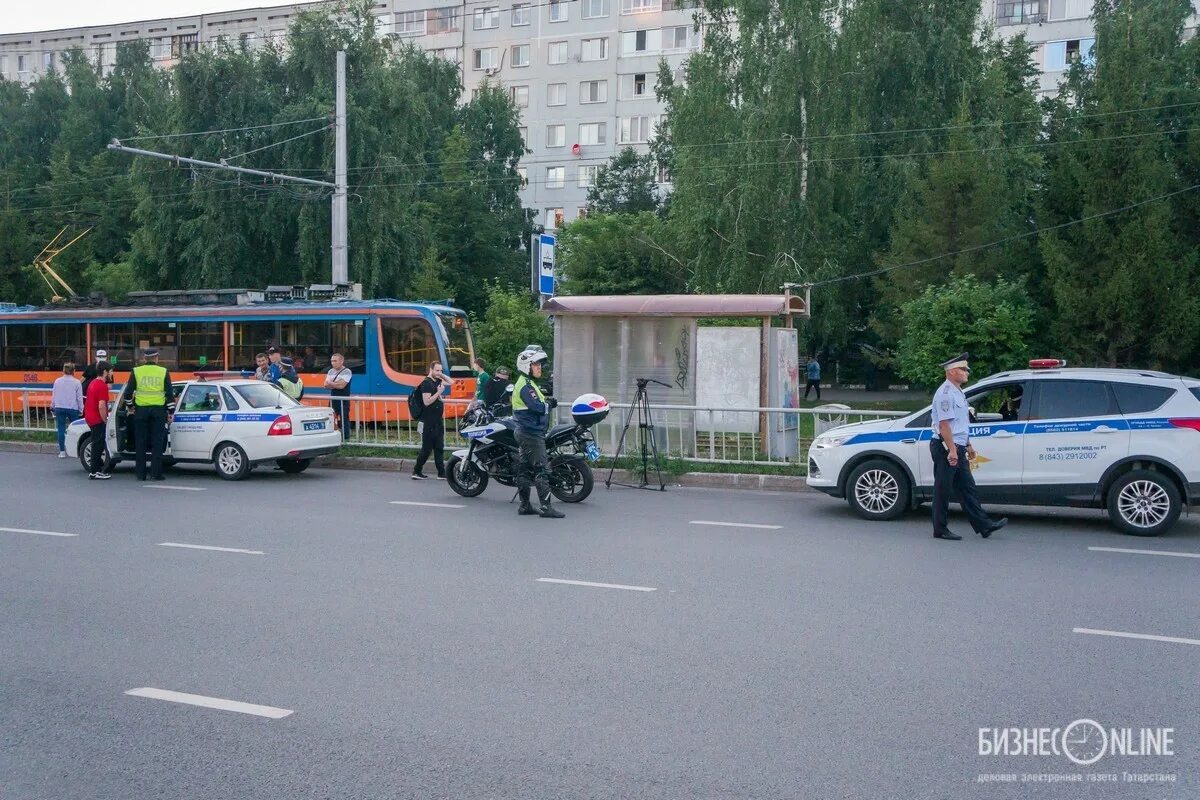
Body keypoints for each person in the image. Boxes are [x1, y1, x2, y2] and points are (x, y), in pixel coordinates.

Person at [930, 353, 1007, 541]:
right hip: (947, 447)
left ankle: (984, 525)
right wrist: (953, 451)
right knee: (943, 489)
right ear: (953, 371)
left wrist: (968, 445)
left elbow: (960, 425)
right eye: (964, 369)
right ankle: (940, 529)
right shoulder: (945, 394)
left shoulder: (958, 392)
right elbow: (944, 426)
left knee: (968, 488)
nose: (967, 373)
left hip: (958, 445)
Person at [512, 347, 564, 518]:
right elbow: (537, 407)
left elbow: (536, 402)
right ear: (526, 366)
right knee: (541, 469)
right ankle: (546, 507)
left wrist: (546, 401)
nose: (539, 367)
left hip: (526, 432)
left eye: (540, 364)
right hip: (531, 434)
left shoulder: (528, 383)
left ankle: (525, 506)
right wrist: (550, 404)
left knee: (524, 470)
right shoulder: (526, 385)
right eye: (535, 364)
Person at [128, 348, 172, 482]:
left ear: (144, 358)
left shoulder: (136, 371)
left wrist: (131, 407)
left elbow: (128, 393)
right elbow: (169, 394)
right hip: (158, 411)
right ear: (157, 357)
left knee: (140, 443)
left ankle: (141, 474)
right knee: (157, 444)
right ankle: (155, 474)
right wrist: (170, 412)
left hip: (141, 411)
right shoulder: (163, 372)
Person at [411, 361, 452, 479]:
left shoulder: (437, 381)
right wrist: (439, 392)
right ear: (431, 370)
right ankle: (416, 471)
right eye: (437, 370)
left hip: (437, 421)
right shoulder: (426, 383)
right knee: (427, 449)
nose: (439, 373)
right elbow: (427, 402)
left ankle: (441, 473)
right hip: (428, 421)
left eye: (441, 370)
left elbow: (451, 382)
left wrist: (441, 375)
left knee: (439, 447)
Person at [83, 362, 114, 480]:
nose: (111, 374)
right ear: (105, 372)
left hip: (90, 417)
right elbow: (101, 405)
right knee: (98, 445)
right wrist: (104, 419)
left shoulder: (93, 383)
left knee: (96, 443)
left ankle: (96, 469)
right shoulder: (102, 386)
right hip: (97, 418)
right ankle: (95, 471)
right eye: (110, 371)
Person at [51, 363, 84, 458]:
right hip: (72, 408)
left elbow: (54, 395)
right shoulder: (77, 382)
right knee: (75, 430)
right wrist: (81, 409)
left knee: (61, 429)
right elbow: (79, 398)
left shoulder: (57, 381)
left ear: (63, 370)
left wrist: (52, 406)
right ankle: (75, 450)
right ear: (74, 371)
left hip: (59, 407)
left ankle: (62, 452)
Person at [324, 352, 353, 441]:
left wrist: (331, 383)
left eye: (335, 361)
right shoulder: (330, 371)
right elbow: (325, 385)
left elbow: (342, 386)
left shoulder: (347, 371)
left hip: (343, 399)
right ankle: (331, 436)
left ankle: (346, 438)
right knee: (331, 417)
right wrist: (336, 383)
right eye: (332, 361)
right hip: (333, 399)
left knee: (344, 418)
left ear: (341, 361)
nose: (333, 363)